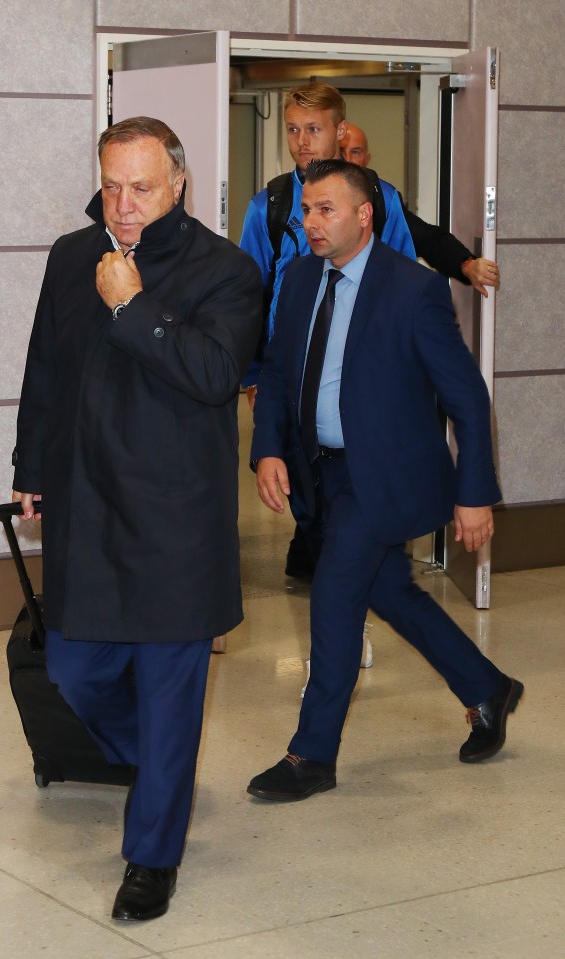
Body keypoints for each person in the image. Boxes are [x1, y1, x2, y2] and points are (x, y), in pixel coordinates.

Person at [11, 116, 262, 920]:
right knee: (74, 671)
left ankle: (151, 857)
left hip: (174, 521)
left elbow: (216, 373)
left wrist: (133, 307)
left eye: (142, 188)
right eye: (112, 186)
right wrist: (29, 470)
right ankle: (157, 765)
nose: (122, 206)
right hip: (87, 504)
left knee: (168, 692)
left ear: (180, 183)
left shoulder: (227, 270)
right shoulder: (69, 255)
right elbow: (44, 366)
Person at [247, 158, 523, 802]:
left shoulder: (412, 289)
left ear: (364, 215)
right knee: (391, 592)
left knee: (335, 596)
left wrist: (474, 491)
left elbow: (466, 397)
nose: (310, 223)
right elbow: (280, 371)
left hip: (382, 478)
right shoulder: (298, 279)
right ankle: (487, 688)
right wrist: (267, 450)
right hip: (321, 475)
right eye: (306, 211)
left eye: (326, 210)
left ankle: (311, 755)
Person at [240, 82, 501, 584]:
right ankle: (342, 574)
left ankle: (354, 584)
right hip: (291, 374)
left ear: (339, 132)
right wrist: (255, 376)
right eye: (292, 130)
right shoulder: (270, 206)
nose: (301, 142)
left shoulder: (378, 200)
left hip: (363, 368)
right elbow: (253, 294)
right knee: (310, 492)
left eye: (313, 130)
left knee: (363, 493)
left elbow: (404, 280)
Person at [339, 121, 501, 296]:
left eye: (355, 152)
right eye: (341, 151)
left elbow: (428, 238)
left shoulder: (382, 197)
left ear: (367, 158)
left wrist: (467, 264)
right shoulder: (309, 194)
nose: (348, 159)